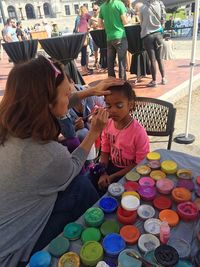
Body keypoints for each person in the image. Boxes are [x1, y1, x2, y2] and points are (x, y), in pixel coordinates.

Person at [0, 55, 124, 267]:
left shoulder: (11, 125)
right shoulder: (44, 154)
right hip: (15, 253)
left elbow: (57, 101)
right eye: (68, 93)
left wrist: (91, 91)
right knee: (81, 184)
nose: (71, 97)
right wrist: (94, 133)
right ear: (47, 103)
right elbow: (74, 166)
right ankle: (100, 238)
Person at [93, 82, 149, 192]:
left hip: (132, 172)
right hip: (110, 167)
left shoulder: (139, 133)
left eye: (119, 105)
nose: (112, 110)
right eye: (108, 105)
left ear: (130, 104)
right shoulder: (108, 124)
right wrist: (103, 173)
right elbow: (105, 151)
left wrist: (113, 176)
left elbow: (140, 164)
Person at [139, 0, 167, 87]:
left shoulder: (142, 8)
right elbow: (164, 18)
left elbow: (141, 22)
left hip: (148, 35)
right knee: (160, 58)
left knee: (152, 60)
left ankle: (154, 81)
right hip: (158, 34)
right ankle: (164, 78)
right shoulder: (160, 4)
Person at [99, 0, 129, 80]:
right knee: (121, 61)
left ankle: (111, 80)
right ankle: (122, 81)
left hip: (109, 37)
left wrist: (108, 28)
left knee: (110, 61)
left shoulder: (102, 6)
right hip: (120, 35)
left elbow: (100, 24)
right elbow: (125, 22)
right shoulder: (119, 4)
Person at [75, 6, 92, 76]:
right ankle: (84, 70)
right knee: (84, 54)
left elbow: (77, 29)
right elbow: (94, 19)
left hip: (79, 37)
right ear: (85, 10)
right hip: (84, 36)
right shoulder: (86, 15)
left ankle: (84, 69)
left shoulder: (79, 17)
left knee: (84, 53)